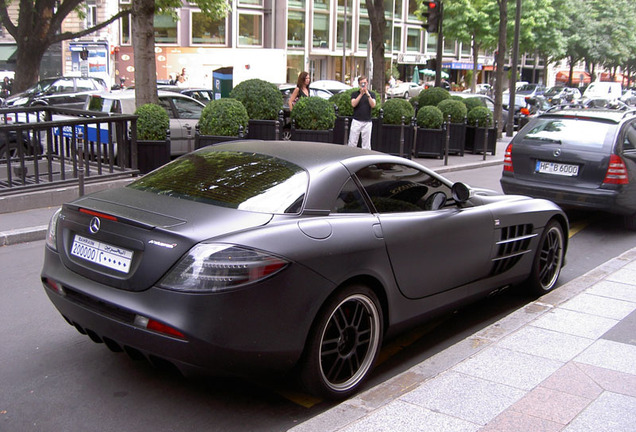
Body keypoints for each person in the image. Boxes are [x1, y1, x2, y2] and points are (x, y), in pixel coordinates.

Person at [348, 75, 376, 150]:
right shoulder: (355, 94)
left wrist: (367, 94)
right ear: (359, 84)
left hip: (367, 122)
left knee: (366, 145)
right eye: (361, 83)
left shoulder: (371, 94)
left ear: (367, 83)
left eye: (365, 83)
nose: (363, 85)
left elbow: (373, 105)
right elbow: (353, 104)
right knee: (352, 143)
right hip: (356, 121)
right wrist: (361, 94)